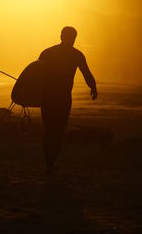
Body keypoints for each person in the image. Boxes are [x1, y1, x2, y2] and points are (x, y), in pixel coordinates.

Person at [39, 26, 97, 173]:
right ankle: (51, 164)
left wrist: (31, 94)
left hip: (47, 97)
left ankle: (48, 163)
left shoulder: (47, 53)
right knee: (58, 130)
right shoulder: (76, 55)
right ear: (74, 38)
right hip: (63, 97)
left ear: (61, 36)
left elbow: (36, 75)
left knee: (48, 130)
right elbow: (87, 74)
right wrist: (93, 88)